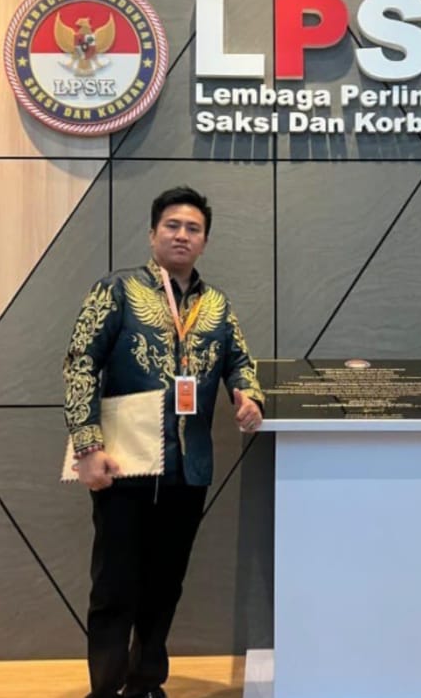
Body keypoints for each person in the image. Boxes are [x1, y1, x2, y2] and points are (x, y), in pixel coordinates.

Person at [63, 186, 264, 698]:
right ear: (153, 233)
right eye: (172, 225)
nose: (182, 235)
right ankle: (105, 688)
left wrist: (249, 396)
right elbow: (80, 363)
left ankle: (146, 683)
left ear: (204, 241)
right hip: (124, 464)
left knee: (165, 585)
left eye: (193, 228)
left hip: (187, 469)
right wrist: (87, 445)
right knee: (114, 586)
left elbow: (240, 361)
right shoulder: (117, 289)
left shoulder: (217, 305)